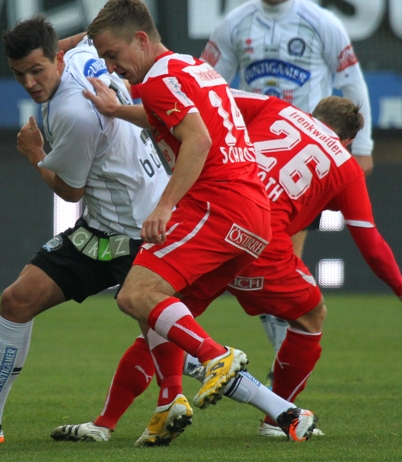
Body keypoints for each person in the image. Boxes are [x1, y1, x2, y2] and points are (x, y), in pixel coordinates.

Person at [50, 91, 402, 443]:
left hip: (215, 223)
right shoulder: (345, 165)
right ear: (348, 142)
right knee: (311, 317)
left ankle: (105, 423)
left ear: (312, 115)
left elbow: (198, 109)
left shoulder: (275, 109)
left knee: (162, 317)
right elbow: (368, 239)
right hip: (260, 241)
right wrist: (400, 286)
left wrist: (118, 110)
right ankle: (277, 419)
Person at [83, 0, 321, 446]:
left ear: (140, 39)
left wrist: (165, 205)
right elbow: (180, 117)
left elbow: (197, 138)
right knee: (165, 315)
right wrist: (117, 111)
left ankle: (215, 358)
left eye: (114, 55)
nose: (113, 67)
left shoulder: (156, 81)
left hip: (216, 203)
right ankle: (281, 412)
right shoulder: (193, 68)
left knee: (136, 294)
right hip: (253, 217)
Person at [0, 16, 169, 444]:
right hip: (102, 231)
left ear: (56, 59)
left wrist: (36, 153)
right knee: (17, 301)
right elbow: (84, 38)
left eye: (37, 71)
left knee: (180, 345)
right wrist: (64, 44)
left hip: (137, 235)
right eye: (20, 75)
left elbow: (70, 191)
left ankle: (280, 410)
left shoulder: (73, 112)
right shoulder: (80, 53)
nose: (31, 83)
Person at [200, 0, 376, 381]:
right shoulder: (234, 22)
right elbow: (210, 85)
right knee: (258, 272)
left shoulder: (321, 22)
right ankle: (272, 384)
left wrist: (361, 148)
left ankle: (268, 378)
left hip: (304, 168)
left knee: (269, 269)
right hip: (251, 159)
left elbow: (351, 80)